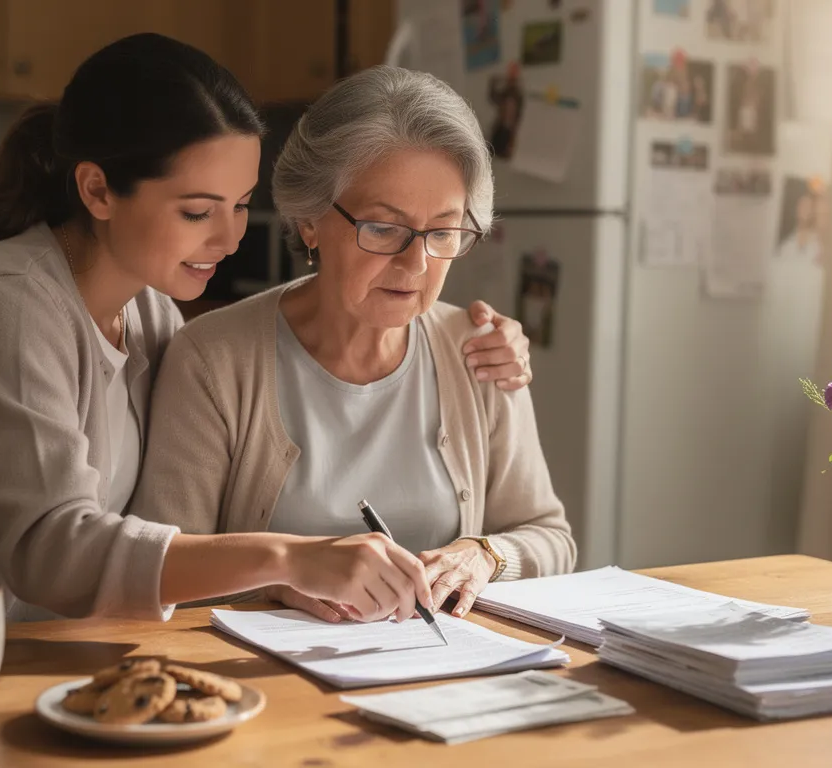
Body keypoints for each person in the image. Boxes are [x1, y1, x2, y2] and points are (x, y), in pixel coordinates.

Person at [0, 35, 533, 642]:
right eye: (198, 211)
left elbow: (152, 536)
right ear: (97, 189)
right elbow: (53, 548)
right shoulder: (2, 303)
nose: (230, 237)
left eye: (238, 205)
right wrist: (289, 555)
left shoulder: (151, 316)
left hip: (21, 656)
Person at [142, 66, 575, 625]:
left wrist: (484, 556)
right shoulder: (213, 359)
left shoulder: (480, 350)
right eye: (383, 227)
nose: (416, 264)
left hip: (441, 678)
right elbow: (159, 574)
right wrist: (276, 583)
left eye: (443, 232)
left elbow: (551, 538)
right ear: (308, 222)